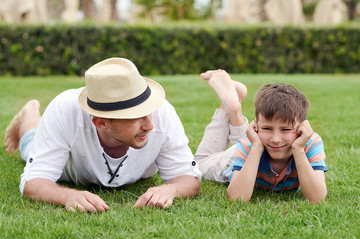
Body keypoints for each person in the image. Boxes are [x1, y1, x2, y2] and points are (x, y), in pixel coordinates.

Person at [4, 57, 201, 212]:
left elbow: (189, 177)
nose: (150, 125)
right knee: (30, 146)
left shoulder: (163, 113)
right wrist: (67, 196)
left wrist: (170, 189)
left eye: (148, 112)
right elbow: (33, 183)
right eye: (136, 118)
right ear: (101, 122)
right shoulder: (64, 110)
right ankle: (30, 111)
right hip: (67, 169)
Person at [195, 70, 328, 203]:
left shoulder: (310, 143)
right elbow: (237, 198)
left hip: (256, 145)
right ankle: (228, 107)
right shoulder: (250, 144)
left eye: (286, 129)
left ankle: (233, 107)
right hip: (240, 157)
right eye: (266, 128)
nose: (276, 139)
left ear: (302, 127)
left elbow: (317, 198)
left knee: (251, 142)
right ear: (256, 126)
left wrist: (298, 150)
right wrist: (256, 147)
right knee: (200, 164)